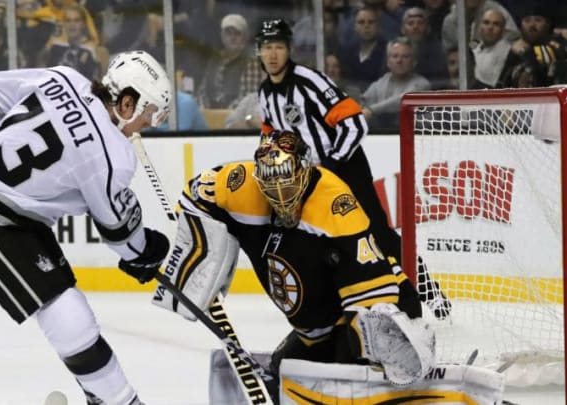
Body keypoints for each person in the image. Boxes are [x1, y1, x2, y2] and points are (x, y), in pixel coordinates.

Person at [0, 50, 173, 405]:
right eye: (149, 114)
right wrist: (145, 252)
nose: (149, 125)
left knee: (65, 299)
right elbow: (120, 235)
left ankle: (106, 396)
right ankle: (116, 399)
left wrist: (8, 142)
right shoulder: (113, 156)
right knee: (63, 306)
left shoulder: (63, 77)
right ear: (127, 102)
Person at [173, 130, 434, 401]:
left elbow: (370, 298)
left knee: (346, 379)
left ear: (305, 169)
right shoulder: (240, 185)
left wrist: (364, 354)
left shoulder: (335, 205)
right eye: (269, 184)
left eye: (286, 183)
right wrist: (197, 253)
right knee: (281, 378)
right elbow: (194, 196)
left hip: (371, 311)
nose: (279, 194)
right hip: (315, 329)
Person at [255, 18, 451, 319]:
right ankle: (349, 300)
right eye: (267, 47)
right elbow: (272, 136)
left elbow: (354, 122)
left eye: (278, 46)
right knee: (320, 240)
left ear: (289, 49)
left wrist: (334, 162)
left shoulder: (309, 81)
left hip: (345, 166)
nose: (273, 54)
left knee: (377, 236)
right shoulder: (266, 93)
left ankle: (430, 295)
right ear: (259, 51)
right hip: (313, 177)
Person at [361, 36, 431, 129]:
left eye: (405, 56)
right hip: (381, 137)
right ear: (388, 62)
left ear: (414, 62)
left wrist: (372, 110)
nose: (399, 61)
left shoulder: (422, 84)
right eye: (395, 56)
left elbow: (403, 99)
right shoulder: (380, 83)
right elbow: (363, 102)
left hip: (413, 136)